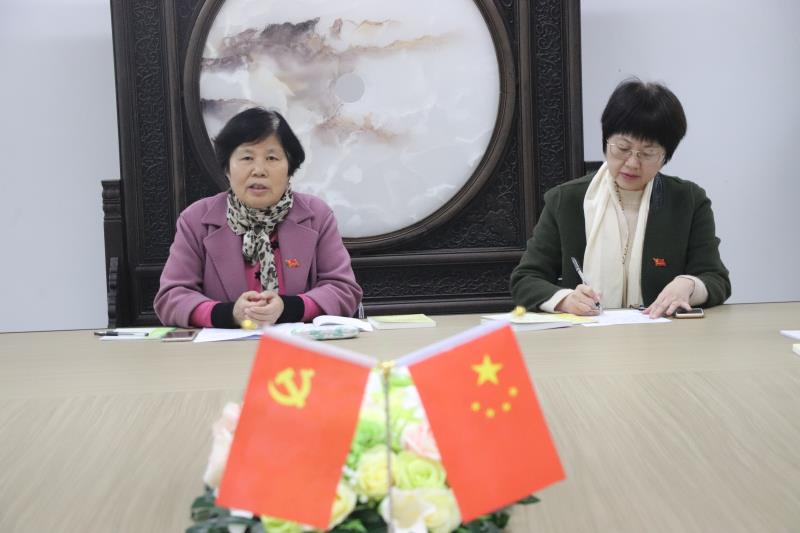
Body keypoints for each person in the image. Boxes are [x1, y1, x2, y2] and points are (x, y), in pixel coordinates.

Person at [511, 79, 730, 318]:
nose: (632, 163)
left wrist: (689, 285)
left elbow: (716, 278)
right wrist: (564, 299)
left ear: (665, 156)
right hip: (585, 335)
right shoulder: (566, 200)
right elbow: (525, 280)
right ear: (606, 140)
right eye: (623, 148)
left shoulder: (688, 201)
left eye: (648, 153)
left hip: (663, 337)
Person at [154, 108, 362, 328]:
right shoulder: (196, 220)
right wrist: (229, 314)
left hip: (298, 345)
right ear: (227, 168)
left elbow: (343, 290)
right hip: (223, 346)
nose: (259, 170)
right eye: (247, 157)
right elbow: (171, 297)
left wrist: (288, 308)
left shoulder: (317, 216)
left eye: (272, 158)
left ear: (290, 168)